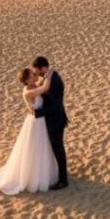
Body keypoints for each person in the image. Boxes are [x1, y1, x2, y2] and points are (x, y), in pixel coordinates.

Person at [0, 68, 59, 194]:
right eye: (31, 75)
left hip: (41, 122)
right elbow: (45, 88)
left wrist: (40, 76)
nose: (34, 76)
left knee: (42, 147)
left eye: (33, 75)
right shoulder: (28, 92)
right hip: (35, 123)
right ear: (25, 80)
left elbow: (41, 83)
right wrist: (50, 74)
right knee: (33, 149)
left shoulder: (34, 85)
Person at [31, 56, 69, 189]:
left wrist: (37, 113)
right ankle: (58, 174)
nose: (37, 75)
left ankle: (63, 180)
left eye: (38, 72)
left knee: (58, 148)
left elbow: (54, 105)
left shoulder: (55, 81)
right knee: (54, 148)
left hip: (56, 120)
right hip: (51, 119)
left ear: (44, 68)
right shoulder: (48, 77)